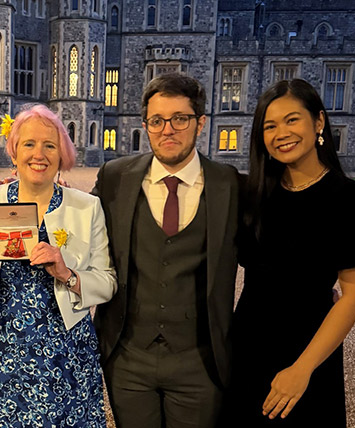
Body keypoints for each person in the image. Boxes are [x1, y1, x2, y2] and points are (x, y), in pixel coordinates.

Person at [222, 79, 355, 426]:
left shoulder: (347, 197)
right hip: (246, 345)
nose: (281, 133)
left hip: (308, 348)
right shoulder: (253, 192)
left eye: (292, 120)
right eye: (270, 125)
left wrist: (302, 368)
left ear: (318, 122)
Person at [92, 72, 241, 428]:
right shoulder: (115, 176)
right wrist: (20, 192)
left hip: (200, 362)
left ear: (200, 123)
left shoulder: (229, 184)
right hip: (129, 359)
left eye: (179, 119)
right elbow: (77, 227)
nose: (167, 130)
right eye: (157, 121)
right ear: (146, 125)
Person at [0, 104, 117, 427]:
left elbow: (107, 282)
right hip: (0, 353)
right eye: (29, 144)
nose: (39, 154)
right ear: (14, 151)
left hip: (66, 356)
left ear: (62, 154)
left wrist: (68, 275)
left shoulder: (86, 208)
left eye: (50, 145)